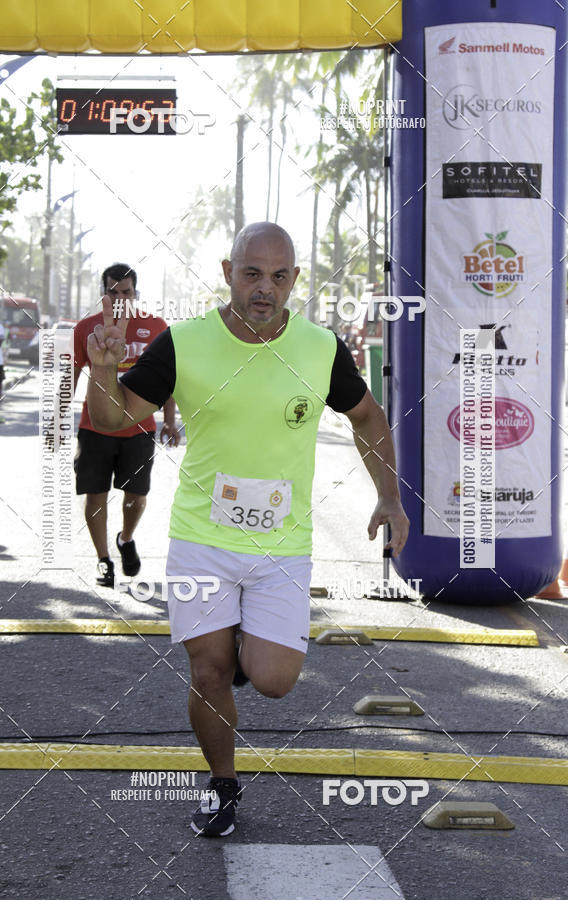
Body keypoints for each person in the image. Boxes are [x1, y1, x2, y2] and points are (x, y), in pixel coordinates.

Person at [84, 224, 409, 835]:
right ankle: (223, 784)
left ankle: (242, 648)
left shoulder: (319, 348)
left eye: (279, 276)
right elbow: (114, 415)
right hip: (201, 540)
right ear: (227, 269)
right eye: (252, 273)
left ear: (294, 280)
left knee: (274, 680)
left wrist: (389, 496)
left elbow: (368, 416)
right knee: (207, 669)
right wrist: (104, 373)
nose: (265, 289)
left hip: (282, 547)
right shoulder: (184, 343)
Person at [73, 263, 180, 588]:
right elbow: (70, 377)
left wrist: (170, 421)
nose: (119, 298)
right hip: (95, 428)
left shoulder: (157, 326)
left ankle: (126, 537)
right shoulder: (87, 328)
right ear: (103, 294)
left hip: (139, 429)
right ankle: (104, 560)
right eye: (113, 292)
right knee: (95, 495)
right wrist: (58, 423)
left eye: (126, 292)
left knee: (135, 497)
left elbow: (168, 379)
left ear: (136, 293)